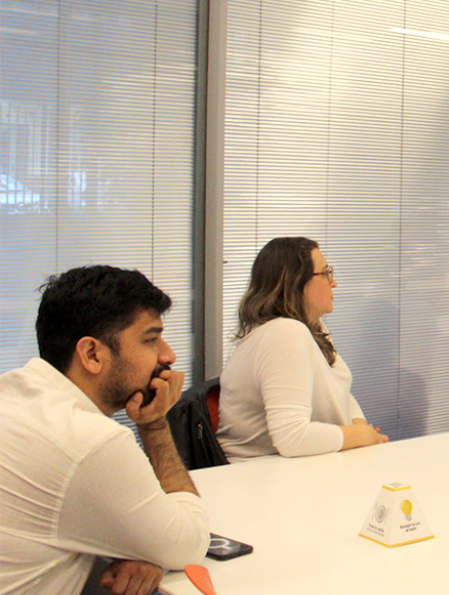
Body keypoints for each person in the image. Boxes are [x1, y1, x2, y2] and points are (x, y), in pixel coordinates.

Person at [0, 266, 209, 595]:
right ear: (92, 354)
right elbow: (190, 544)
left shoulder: (14, 395)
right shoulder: (88, 441)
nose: (168, 355)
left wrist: (140, 549)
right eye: (151, 339)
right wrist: (154, 425)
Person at [218, 237, 388, 461]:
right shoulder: (284, 333)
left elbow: (340, 388)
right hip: (261, 478)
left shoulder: (311, 326)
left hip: (307, 468)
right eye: (326, 273)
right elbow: (292, 438)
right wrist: (359, 436)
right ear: (295, 281)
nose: (333, 282)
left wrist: (360, 429)